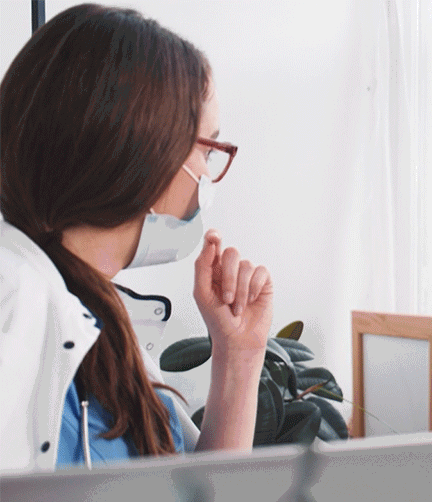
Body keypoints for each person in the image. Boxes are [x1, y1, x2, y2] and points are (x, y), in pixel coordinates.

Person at [0, 4, 272, 472]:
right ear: (144, 152)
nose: (207, 178)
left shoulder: (99, 317)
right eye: (207, 150)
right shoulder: (15, 297)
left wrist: (240, 357)